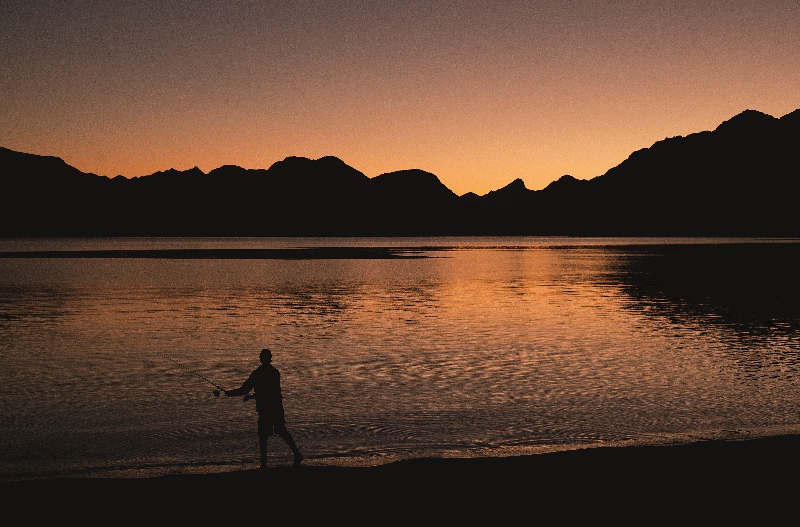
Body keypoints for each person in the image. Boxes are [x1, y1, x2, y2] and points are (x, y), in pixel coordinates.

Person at [225, 348, 303, 468]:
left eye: (261, 356)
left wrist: (230, 393)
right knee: (280, 431)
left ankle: (264, 462)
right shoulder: (275, 372)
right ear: (270, 359)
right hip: (277, 406)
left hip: (266, 408)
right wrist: (250, 396)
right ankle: (296, 453)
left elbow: (245, 389)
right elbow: (271, 391)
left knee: (264, 435)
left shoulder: (257, 373)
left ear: (262, 359)